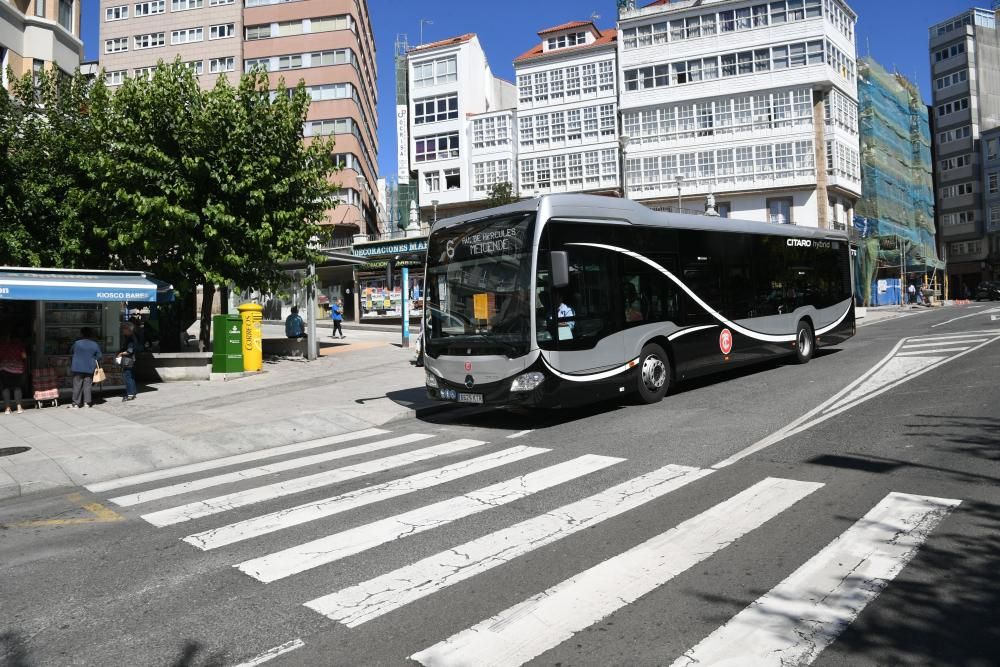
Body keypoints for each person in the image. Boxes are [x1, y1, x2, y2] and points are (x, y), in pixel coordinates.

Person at [69, 327, 102, 409]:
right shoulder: (95, 344)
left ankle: (76, 403)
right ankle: (87, 403)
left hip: (77, 367)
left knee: (77, 385)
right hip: (89, 367)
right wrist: (93, 360)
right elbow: (99, 356)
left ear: (81, 334)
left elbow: (70, 351)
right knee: (87, 386)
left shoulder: (77, 343)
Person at [0, 327, 27, 415]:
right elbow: (24, 356)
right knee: (17, 388)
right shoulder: (19, 345)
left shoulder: (2, 345)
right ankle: (19, 408)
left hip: (5, 369)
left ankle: (7, 409)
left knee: (5, 388)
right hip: (17, 370)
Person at [117, 322, 139, 402]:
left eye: (123, 329)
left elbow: (129, 351)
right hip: (131, 360)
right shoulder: (132, 337)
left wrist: (120, 353)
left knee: (128, 377)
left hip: (128, 360)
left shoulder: (130, 338)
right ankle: (133, 393)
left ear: (127, 329)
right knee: (131, 376)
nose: (122, 331)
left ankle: (130, 394)